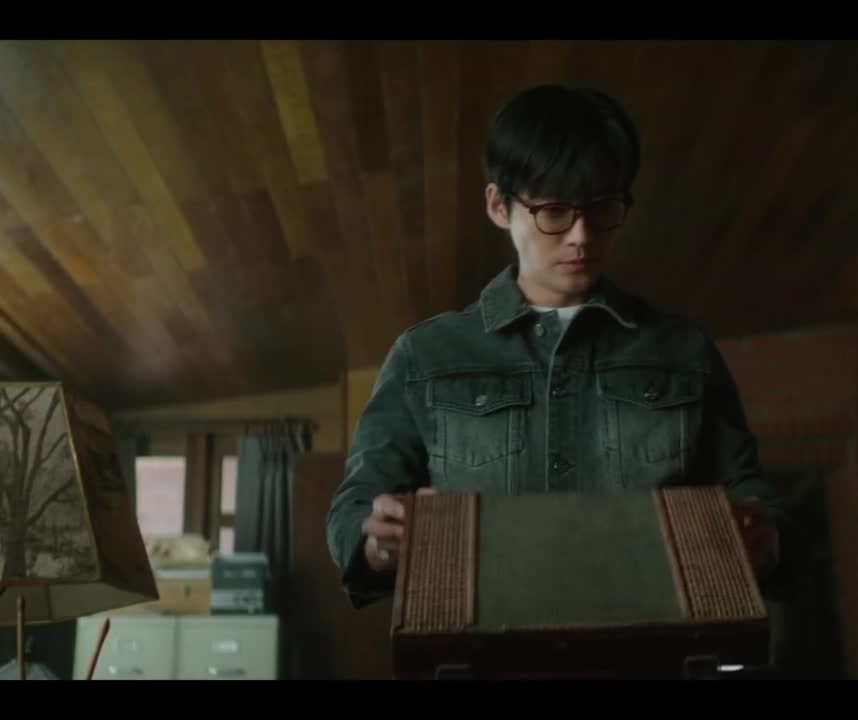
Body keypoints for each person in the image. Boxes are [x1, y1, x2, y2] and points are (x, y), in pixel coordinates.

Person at [326, 84, 799, 610]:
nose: (581, 236)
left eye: (603, 208)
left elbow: (753, 496)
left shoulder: (683, 351)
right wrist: (379, 544)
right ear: (499, 206)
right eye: (554, 211)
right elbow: (352, 511)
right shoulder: (426, 357)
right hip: (483, 644)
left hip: (654, 640)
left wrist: (764, 537)